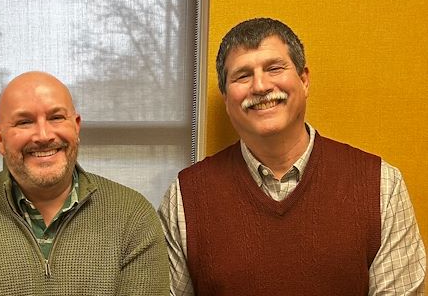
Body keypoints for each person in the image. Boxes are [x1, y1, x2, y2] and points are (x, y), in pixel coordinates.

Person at [159, 17, 426, 295]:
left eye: (274, 68)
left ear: (304, 80)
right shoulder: (185, 198)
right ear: (226, 99)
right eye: (242, 75)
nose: (260, 86)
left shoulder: (381, 186)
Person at [0, 71, 168, 295]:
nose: (44, 135)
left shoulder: (133, 216)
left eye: (56, 117)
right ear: (0, 139)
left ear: (76, 127)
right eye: (24, 122)